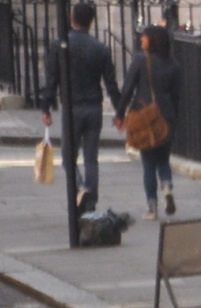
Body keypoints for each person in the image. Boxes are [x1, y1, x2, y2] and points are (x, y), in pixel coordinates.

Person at [37, 0, 126, 216]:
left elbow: (52, 80)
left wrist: (46, 108)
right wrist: (119, 112)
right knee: (91, 159)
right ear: (92, 22)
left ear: (71, 19)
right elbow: (111, 84)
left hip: (72, 107)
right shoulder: (100, 48)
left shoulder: (59, 46)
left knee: (68, 157)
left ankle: (79, 187)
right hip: (94, 107)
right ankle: (91, 200)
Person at [127, 25, 179, 220]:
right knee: (163, 160)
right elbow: (176, 96)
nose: (141, 40)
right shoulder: (173, 65)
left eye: (144, 37)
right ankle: (167, 187)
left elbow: (129, 87)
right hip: (167, 118)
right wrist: (175, 120)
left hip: (146, 118)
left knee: (148, 163)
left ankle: (152, 207)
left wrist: (119, 110)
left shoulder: (141, 60)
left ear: (151, 40)